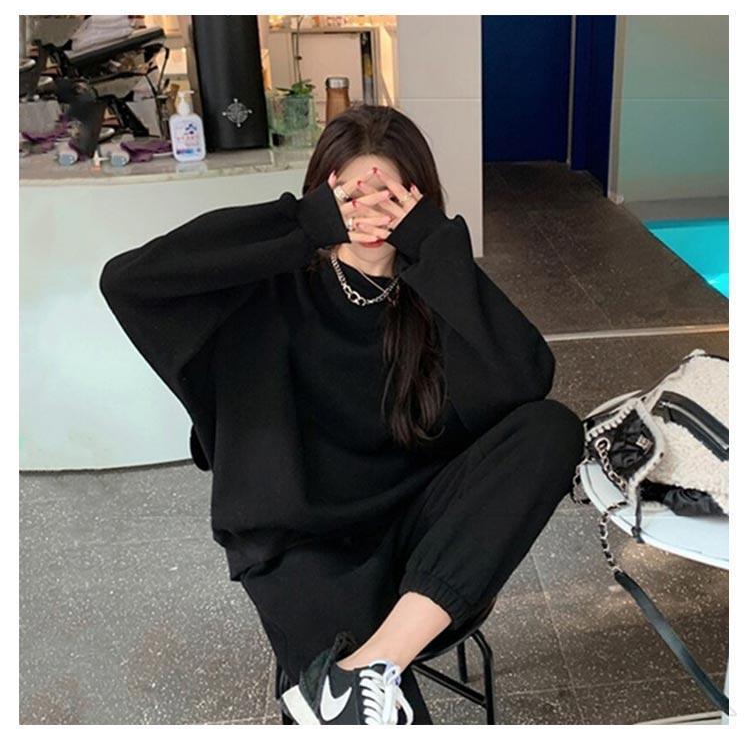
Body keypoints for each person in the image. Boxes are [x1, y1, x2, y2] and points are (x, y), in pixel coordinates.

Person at [99, 104, 584, 725]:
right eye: (351, 197)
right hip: (302, 544)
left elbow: (528, 380)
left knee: (552, 428)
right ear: (321, 198)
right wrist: (302, 226)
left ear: (419, 202)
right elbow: (127, 282)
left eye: (389, 197)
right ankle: (362, 677)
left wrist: (436, 247)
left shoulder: (435, 292)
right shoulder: (267, 288)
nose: (369, 214)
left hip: (420, 541)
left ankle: (369, 667)